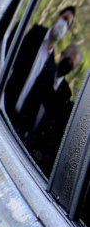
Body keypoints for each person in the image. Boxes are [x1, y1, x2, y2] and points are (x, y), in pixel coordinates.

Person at [4, 7, 76, 140]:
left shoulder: (51, 67)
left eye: (68, 24)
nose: (64, 25)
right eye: (64, 19)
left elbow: (36, 103)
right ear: (57, 18)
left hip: (16, 123)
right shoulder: (34, 34)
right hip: (2, 104)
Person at [32, 44, 82, 174]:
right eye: (68, 59)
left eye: (73, 64)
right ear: (62, 54)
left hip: (36, 145)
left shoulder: (66, 93)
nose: (69, 64)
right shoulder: (45, 68)